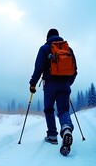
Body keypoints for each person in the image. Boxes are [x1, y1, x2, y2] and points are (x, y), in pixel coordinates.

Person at [29, 28, 77, 156]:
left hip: (50, 85)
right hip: (64, 84)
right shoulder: (68, 50)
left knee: (49, 109)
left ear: (47, 37)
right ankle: (66, 128)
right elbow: (74, 70)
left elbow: (38, 68)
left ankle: (52, 136)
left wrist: (33, 83)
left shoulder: (45, 48)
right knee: (63, 110)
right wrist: (68, 83)